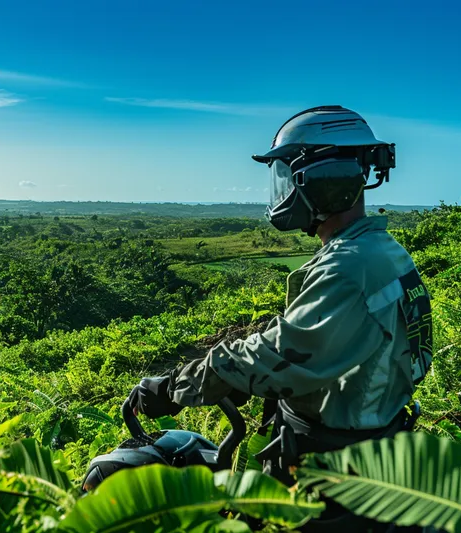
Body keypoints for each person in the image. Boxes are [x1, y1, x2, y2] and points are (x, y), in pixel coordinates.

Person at [131, 105, 433, 531]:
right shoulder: (381, 253)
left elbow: (279, 357)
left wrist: (175, 388)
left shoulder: (348, 270)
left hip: (331, 475)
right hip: (372, 445)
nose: (282, 191)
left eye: (288, 178)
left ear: (322, 181)